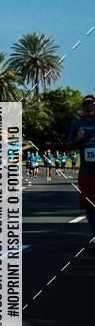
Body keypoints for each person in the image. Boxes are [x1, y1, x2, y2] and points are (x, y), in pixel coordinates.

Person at [66, 95, 95, 249]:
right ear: (83, 108)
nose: (90, 107)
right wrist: (78, 138)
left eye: (93, 104)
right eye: (87, 105)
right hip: (86, 172)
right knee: (89, 205)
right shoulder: (77, 124)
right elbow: (68, 145)